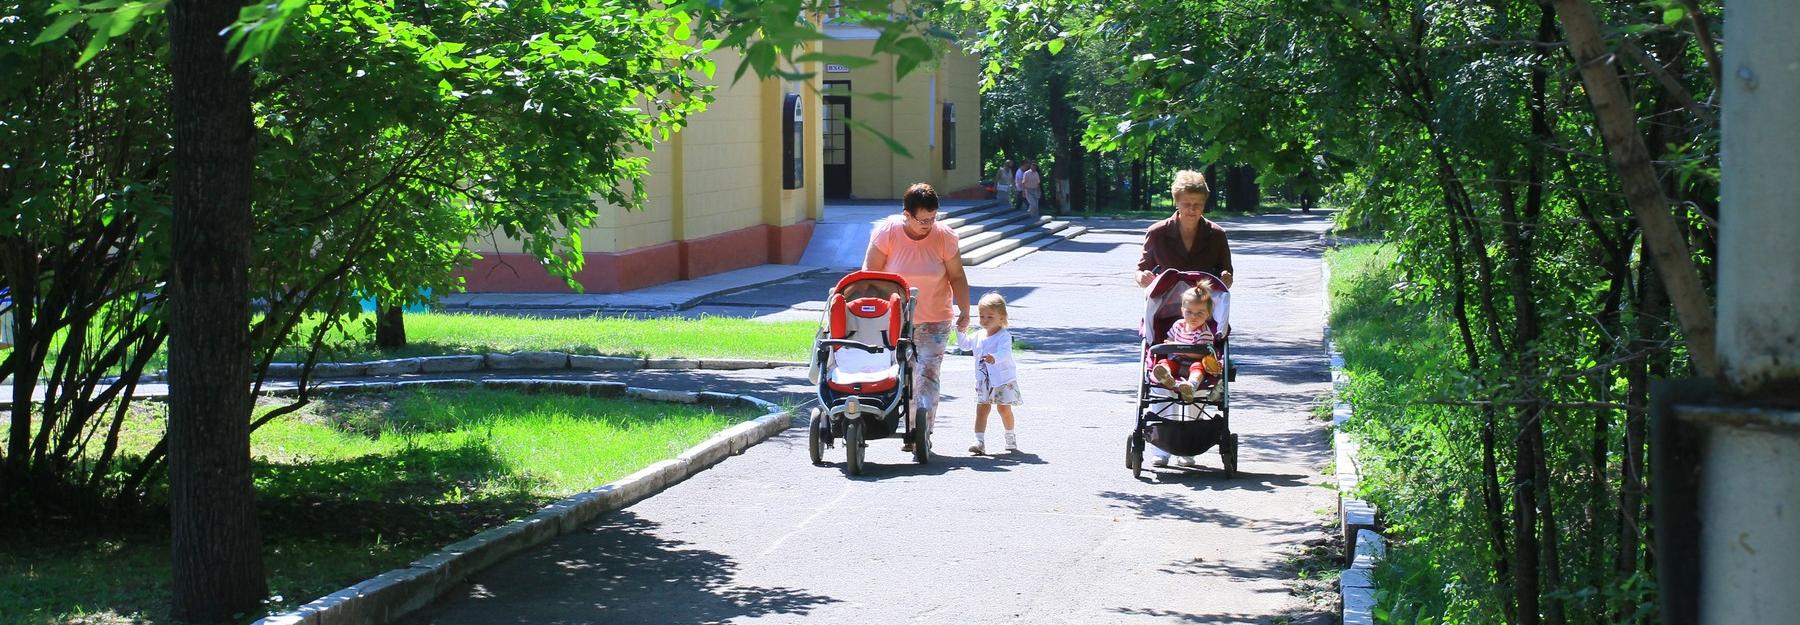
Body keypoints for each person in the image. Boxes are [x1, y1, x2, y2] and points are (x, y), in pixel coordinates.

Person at [1135, 169, 1233, 468]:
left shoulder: (1215, 234)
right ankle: (1161, 446)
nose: (1192, 210)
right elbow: (1141, 270)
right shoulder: (1158, 232)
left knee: (1197, 381)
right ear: (1176, 201)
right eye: (1187, 204)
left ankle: (1188, 441)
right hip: (1168, 318)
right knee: (1163, 378)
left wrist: (1227, 278)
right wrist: (1144, 278)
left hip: (1204, 318)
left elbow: (1226, 273)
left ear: (1204, 204)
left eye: (1198, 205)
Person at [864, 182, 972, 453]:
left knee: (929, 375)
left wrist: (965, 311)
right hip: (895, 320)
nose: (929, 224)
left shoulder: (944, 236)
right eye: (923, 220)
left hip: (935, 318)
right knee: (905, 373)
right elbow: (869, 275)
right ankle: (903, 422)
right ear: (907, 214)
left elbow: (957, 276)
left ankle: (921, 431)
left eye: (933, 218)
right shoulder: (887, 233)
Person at [962, 292, 1021, 455]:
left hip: (1002, 379)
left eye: (990, 317)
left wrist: (994, 358)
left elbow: (1005, 353)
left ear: (1001, 317)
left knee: (1004, 409)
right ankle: (979, 440)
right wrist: (961, 330)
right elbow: (964, 345)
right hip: (983, 380)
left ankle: (1010, 435)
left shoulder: (1004, 336)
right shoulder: (978, 335)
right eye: (982, 316)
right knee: (982, 409)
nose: (984, 321)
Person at [1150, 284, 1223, 405]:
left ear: (1208, 314)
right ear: (1182, 311)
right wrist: (1169, 343)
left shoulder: (1204, 332)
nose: (1194, 316)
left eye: (1200, 313)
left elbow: (1202, 355)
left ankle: (1191, 386)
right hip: (1176, 362)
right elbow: (1169, 338)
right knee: (1164, 363)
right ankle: (1166, 377)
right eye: (1189, 312)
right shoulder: (1178, 325)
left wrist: (1181, 350)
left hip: (1193, 364)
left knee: (1198, 368)